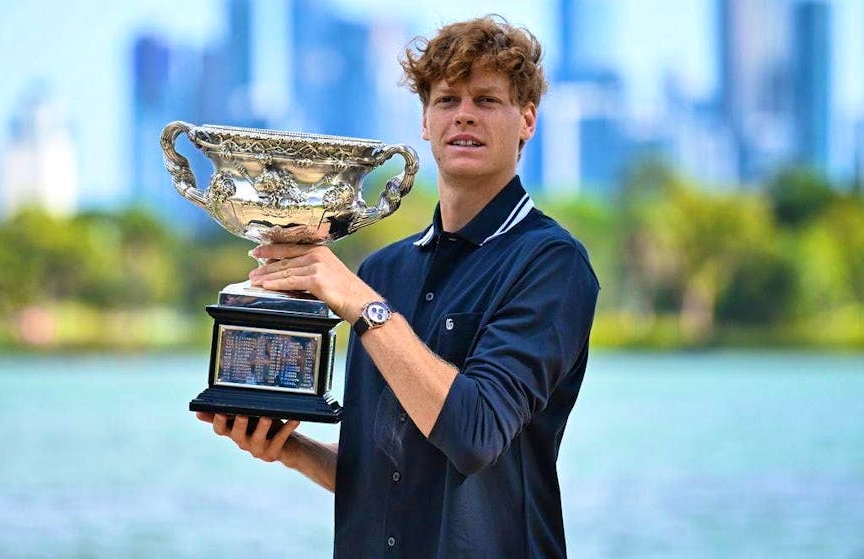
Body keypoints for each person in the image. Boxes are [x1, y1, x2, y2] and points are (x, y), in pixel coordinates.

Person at [196, 15, 599, 558]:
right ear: (424, 124)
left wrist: (363, 306)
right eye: (446, 100)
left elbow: (474, 435)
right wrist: (293, 450)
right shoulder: (385, 271)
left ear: (526, 119)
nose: (464, 116)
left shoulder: (551, 264)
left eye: (486, 100)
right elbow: (389, 477)